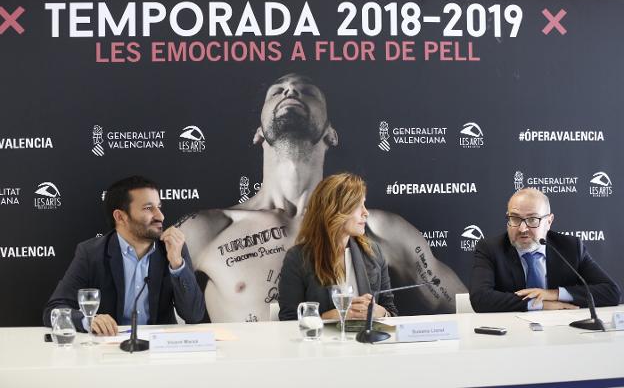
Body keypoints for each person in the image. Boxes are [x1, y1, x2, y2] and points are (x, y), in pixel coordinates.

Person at [178, 73, 466, 322]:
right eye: (277, 91)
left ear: (331, 133)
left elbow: (461, 308)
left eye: (307, 91)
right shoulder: (208, 229)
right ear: (258, 134)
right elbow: (160, 320)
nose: (290, 92)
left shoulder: (379, 229)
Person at [43, 176, 206, 335]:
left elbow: (194, 315)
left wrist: (177, 264)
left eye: (159, 206)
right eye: (148, 208)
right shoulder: (91, 253)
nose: (160, 216)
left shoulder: (173, 248)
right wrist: (88, 321)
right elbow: (53, 311)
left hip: (158, 350)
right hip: (111, 349)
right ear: (120, 217)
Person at [470, 188, 621, 312]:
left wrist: (553, 294)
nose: (522, 228)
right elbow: (480, 299)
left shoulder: (570, 247)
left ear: (549, 222)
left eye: (532, 219)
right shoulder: (491, 249)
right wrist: (541, 305)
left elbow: (611, 292)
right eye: (515, 218)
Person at [278, 173, 398, 320]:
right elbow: (288, 319)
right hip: (319, 343)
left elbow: (391, 311)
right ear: (334, 210)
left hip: (366, 341)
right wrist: (327, 317)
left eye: (364, 205)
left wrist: (380, 312)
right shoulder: (297, 258)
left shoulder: (373, 252)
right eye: (358, 206)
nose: (365, 212)